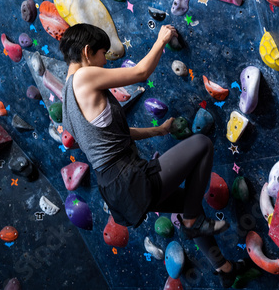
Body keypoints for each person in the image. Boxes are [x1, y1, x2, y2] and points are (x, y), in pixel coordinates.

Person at [60, 23, 247, 287]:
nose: (104, 62)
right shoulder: (83, 77)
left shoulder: (66, 101)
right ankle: (194, 221)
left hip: (115, 188)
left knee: (186, 203)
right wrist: (161, 39)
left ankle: (224, 269)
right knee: (202, 144)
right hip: (128, 178)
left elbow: (112, 136)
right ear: (88, 52)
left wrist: (158, 131)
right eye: (103, 54)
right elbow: (140, 72)